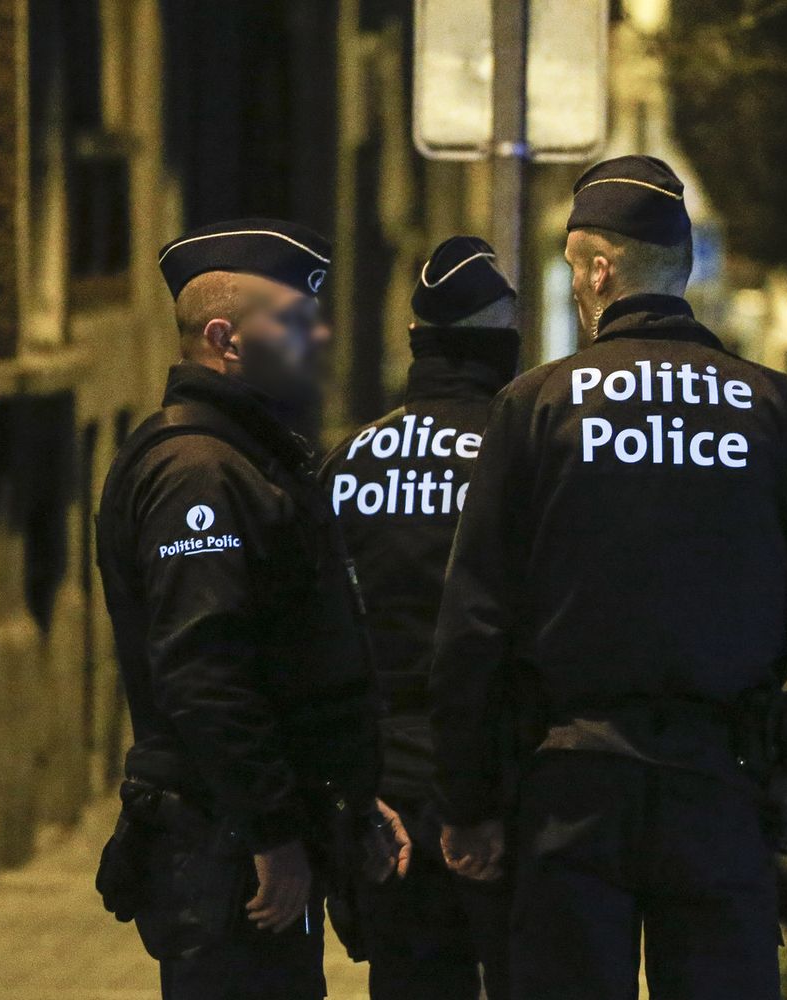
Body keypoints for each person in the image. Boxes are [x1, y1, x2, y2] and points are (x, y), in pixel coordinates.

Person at [428, 155, 787, 1000]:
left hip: (569, 791)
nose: (573, 291)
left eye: (572, 272)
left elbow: (474, 625)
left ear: (601, 272)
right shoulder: (777, 410)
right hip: (723, 787)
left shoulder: (536, 407)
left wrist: (467, 801)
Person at [96, 219, 390, 1000]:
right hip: (224, 846)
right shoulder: (199, 472)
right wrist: (271, 833)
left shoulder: (246, 456)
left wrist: (348, 795)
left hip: (247, 834)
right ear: (225, 338)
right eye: (294, 320)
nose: (318, 335)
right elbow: (204, 673)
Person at [321, 236, 519, 999]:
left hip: (385, 798)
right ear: (503, 345)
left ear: (415, 343)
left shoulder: (350, 459)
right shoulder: (523, 453)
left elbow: (316, 635)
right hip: (505, 796)